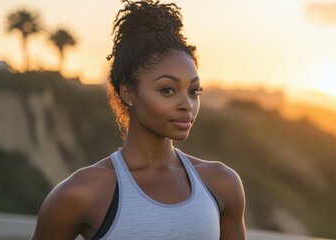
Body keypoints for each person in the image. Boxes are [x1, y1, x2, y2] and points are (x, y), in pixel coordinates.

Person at [31, 0, 246, 239]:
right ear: (128, 93)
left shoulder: (222, 183)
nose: (187, 104)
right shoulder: (81, 193)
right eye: (167, 90)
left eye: (194, 91)